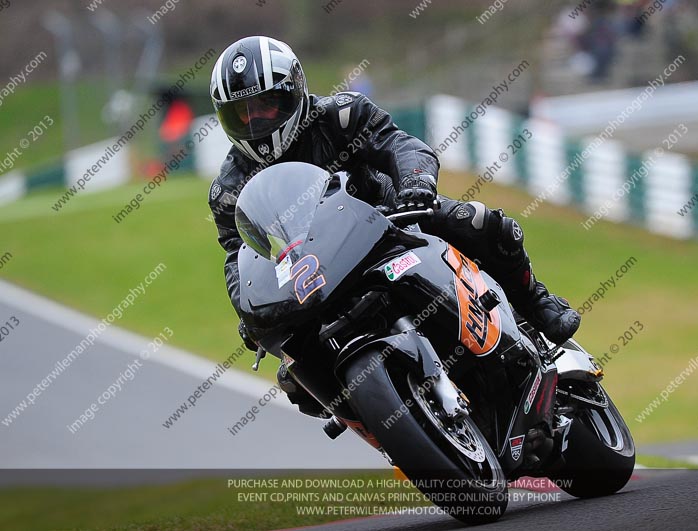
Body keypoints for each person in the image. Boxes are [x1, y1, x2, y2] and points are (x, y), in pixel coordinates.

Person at [207, 36, 580, 413]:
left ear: (295, 90)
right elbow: (239, 258)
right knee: (296, 378)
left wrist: (416, 185)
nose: (256, 120)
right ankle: (389, 422)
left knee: (479, 223)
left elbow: (402, 146)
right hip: (314, 274)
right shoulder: (228, 190)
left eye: (267, 104)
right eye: (243, 113)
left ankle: (534, 301)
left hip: (388, 220)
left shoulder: (341, 115)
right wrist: (251, 311)